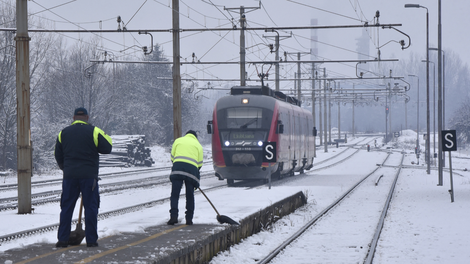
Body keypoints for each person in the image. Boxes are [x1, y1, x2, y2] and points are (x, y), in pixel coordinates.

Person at [54, 107, 112, 248]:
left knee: (66, 207)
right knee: (91, 208)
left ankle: (62, 240)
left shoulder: (63, 133)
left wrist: (65, 168)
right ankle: (91, 241)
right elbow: (107, 147)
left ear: (73, 118)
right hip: (88, 177)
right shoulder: (94, 131)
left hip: (70, 177)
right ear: (87, 117)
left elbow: (57, 154)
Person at [167, 130, 203, 225]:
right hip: (191, 171)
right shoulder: (198, 145)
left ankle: (173, 216)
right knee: (190, 195)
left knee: (175, 194)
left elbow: (172, 157)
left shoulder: (178, 141)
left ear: (186, 135)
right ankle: (189, 219)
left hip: (178, 167)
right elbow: (199, 164)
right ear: (195, 137)